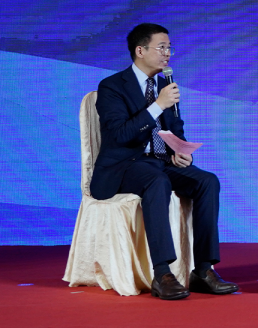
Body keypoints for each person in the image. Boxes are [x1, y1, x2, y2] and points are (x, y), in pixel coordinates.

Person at [91, 23, 237, 300]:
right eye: (161, 48)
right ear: (140, 51)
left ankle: (203, 270)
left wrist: (180, 151)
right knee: (156, 180)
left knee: (207, 181)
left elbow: (175, 129)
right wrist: (158, 104)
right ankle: (162, 274)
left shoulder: (164, 86)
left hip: (162, 161)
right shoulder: (112, 86)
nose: (167, 53)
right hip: (125, 165)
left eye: (169, 48)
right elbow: (120, 135)